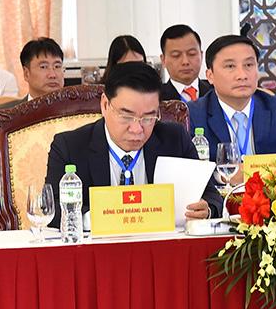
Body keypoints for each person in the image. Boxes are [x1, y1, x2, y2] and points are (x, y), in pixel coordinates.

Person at [44, 61, 224, 225]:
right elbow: (53, 209)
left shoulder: (174, 139)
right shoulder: (69, 146)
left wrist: (206, 210)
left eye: (148, 117)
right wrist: (99, 219)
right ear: (105, 105)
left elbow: (211, 196)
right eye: (127, 116)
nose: (137, 129)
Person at [189, 34, 276, 162]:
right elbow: (189, 168)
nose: (242, 75)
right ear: (210, 75)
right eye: (230, 66)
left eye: (249, 65)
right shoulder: (193, 115)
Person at [158, 24, 211, 102]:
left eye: (192, 54)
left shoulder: (216, 91)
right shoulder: (156, 97)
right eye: (176, 55)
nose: (185, 62)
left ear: (201, 55)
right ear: (163, 60)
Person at [17, 37, 66, 102]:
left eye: (57, 66)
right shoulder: (10, 108)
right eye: (43, 67)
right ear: (26, 74)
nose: (52, 75)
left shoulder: (77, 107)